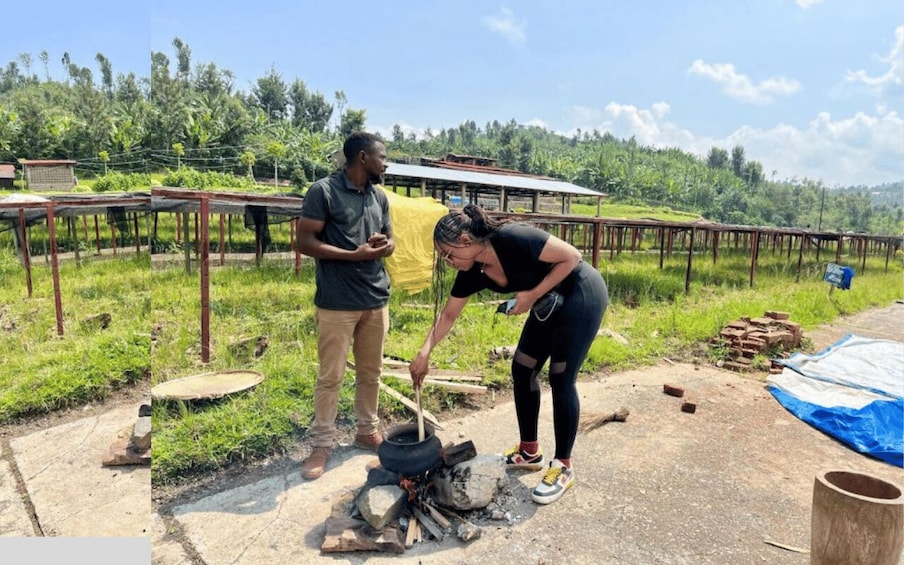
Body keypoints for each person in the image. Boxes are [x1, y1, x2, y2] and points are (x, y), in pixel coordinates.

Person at [409, 204, 608, 504]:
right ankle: (529, 451)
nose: (447, 262)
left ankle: (563, 467)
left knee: (561, 376)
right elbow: (448, 316)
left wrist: (530, 295)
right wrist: (424, 353)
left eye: (448, 254)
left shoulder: (513, 237)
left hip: (581, 292)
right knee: (523, 368)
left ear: (465, 240)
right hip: (546, 302)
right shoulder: (471, 271)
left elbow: (572, 257)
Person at [296, 131, 395, 480]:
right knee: (331, 376)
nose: (386, 162)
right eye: (382, 156)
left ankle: (367, 431)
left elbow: (391, 240)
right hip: (337, 303)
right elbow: (305, 241)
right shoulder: (323, 191)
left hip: (375, 298)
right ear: (363, 158)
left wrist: (383, 244)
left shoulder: (378, 197)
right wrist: (354, 255)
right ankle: (322, 443)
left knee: (371, 374)